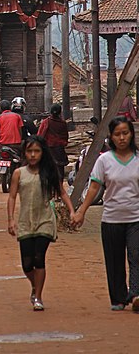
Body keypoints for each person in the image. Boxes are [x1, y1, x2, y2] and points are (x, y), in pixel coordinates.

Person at [72, 116, 139, 312]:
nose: (122, 138)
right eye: (117, 134)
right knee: (114, 258)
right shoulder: (104, 160)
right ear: (111, 137)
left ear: (131, 135)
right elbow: (94, 187)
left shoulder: (137, 160)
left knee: (136, 255)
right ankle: (118, 298)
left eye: (125, 133)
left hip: (136, 218)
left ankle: (135, 294)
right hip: (111, 218)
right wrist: (81, 211)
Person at [7, 135, 74, 311]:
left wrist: (72, 211)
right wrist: (11, 219)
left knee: (39, 257)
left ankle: (38, 297)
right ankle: (34, 285)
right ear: (24, 153)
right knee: (27, 263)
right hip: (25, 222)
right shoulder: (18, 173)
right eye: (29, 151)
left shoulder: (49, 173)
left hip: (45, 220)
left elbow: (63, 193)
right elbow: (12, 196)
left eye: (37, 151)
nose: (33, 155)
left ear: (43, 153)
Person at [37, 103, 69, 182]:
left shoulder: (46, 122)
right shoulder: (62, 123)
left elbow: (40, 135)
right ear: (60, 112)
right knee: (60, 169)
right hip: (59, 149)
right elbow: (65, 137)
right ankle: (59, 187)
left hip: (48, 148)